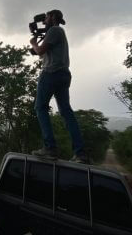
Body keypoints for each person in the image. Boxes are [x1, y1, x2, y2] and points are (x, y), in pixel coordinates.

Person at [29, 9, 88, 163]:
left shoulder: (55, 30)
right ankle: (80, 154)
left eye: (46, 17)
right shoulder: (57, 32)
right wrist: (37, 47)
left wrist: (34, 43)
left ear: (53, 17)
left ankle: (50, 148)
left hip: (51, 73)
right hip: (63, 75)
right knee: (66, 112)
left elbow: (40, 50)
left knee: (40, 108)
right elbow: (42, 53)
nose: (44, 20)